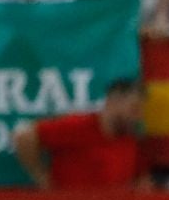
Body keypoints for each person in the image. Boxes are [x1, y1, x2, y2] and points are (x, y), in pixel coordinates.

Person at [13, 77, 144, 190]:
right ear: (114, 101)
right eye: (134, 108)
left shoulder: (130, 140)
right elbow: (24, 135)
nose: (137, 116)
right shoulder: (80, 126)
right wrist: (42, 177)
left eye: (140, 112)